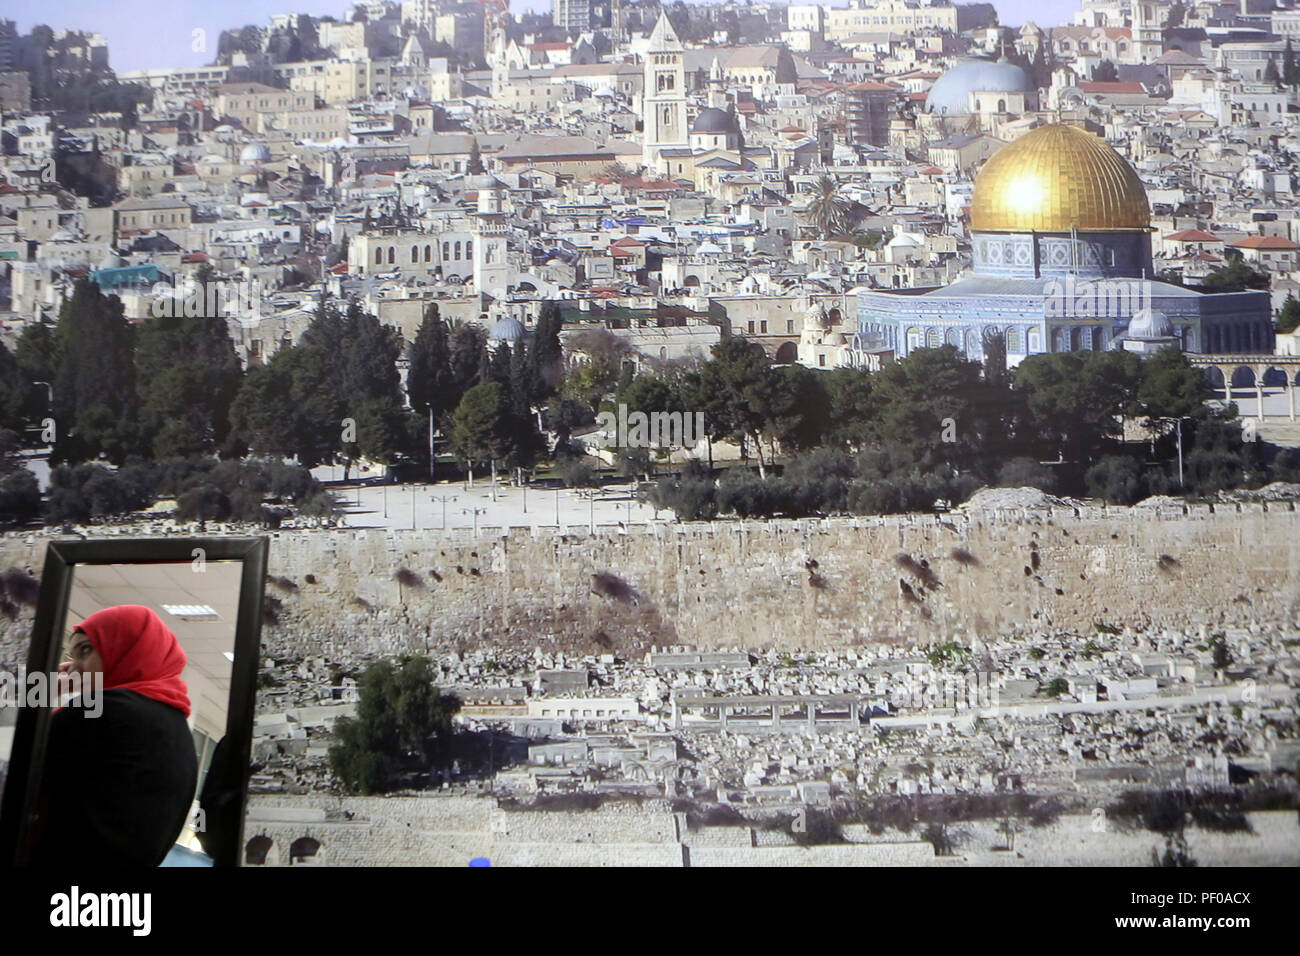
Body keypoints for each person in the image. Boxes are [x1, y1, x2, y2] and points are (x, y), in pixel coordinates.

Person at [26, 605, 198, 867]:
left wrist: (38, 694)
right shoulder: (177, 728)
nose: (75, 668)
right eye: (72, 655)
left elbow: (16, 767)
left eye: (85, 650)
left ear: (125, 648)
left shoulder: (103, 709)